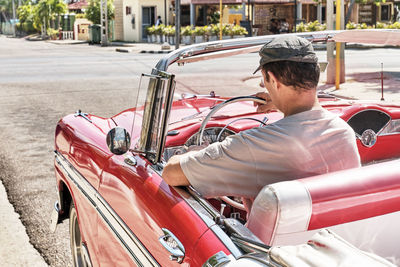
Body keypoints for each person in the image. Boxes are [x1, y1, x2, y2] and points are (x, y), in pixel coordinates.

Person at [162, 35, 361, 212]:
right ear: (315, 76)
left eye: (264, 81)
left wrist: (200, 150)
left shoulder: (253, 146)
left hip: (267, 250)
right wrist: (281, 103)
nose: (262, 86)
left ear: (273, 81)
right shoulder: (343, 132)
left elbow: (171, 173)